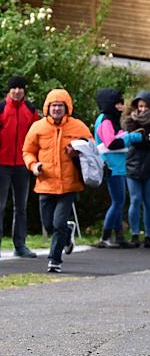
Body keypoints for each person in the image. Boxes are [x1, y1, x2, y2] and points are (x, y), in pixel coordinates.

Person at [22, 89, 93, 273]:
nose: (56, 109)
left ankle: (55, 260)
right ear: (47, 107)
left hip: (68, 185)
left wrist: (77, 152)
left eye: (60, 106)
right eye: (53, 106)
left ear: (67, 107)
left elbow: (91, 148)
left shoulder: (78, 127)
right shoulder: (38, 127)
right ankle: (68, 232)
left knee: (58, 223)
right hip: (45, 183)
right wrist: (33, 165)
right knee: (48, 224)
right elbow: (27, 151)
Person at [94, 88, 142, 249]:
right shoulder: (106, 120)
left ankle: (119, 236)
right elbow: (111, 143)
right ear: (109, 104)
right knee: (118, 201)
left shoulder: (109, 119)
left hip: (117, 166)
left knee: (119, 202)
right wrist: (132, 137)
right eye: (118, 103)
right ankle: (106, 236)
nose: (121, 106)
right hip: (112, 166)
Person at [0, 75, 39, 258]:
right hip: (2, 164)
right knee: (0, 206)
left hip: (23, 165)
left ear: (24, 90)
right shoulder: (1, 108)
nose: (17, 91)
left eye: (20, 88)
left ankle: (20, 245)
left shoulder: (30, 110)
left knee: (21, 207)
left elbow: (37, 137)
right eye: (13, 88)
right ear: (9, 90)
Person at [122, 90, 150, 248]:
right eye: (140, 106)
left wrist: (143, 138)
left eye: (146, 106)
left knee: (148, 201)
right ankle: (134, 233)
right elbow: (132, 138)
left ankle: (147, 234)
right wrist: (145, 138)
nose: (143, 109)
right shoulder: (131, 120)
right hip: (133, 165)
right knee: (135, 199)